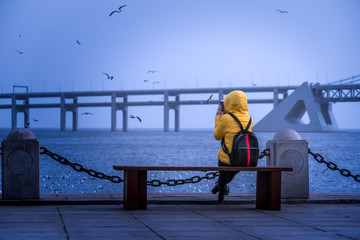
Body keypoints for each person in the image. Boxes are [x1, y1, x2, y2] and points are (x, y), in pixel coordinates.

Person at [212, 90, 253, 202]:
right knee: (231, 170)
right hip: (243, 158)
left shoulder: (226, 118)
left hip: (227, 158)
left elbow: (217, 136)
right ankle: (221, 186)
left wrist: (218, 117)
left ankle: (220, 187)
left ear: (228, 102)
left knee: (224, 164)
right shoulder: (249, 118)